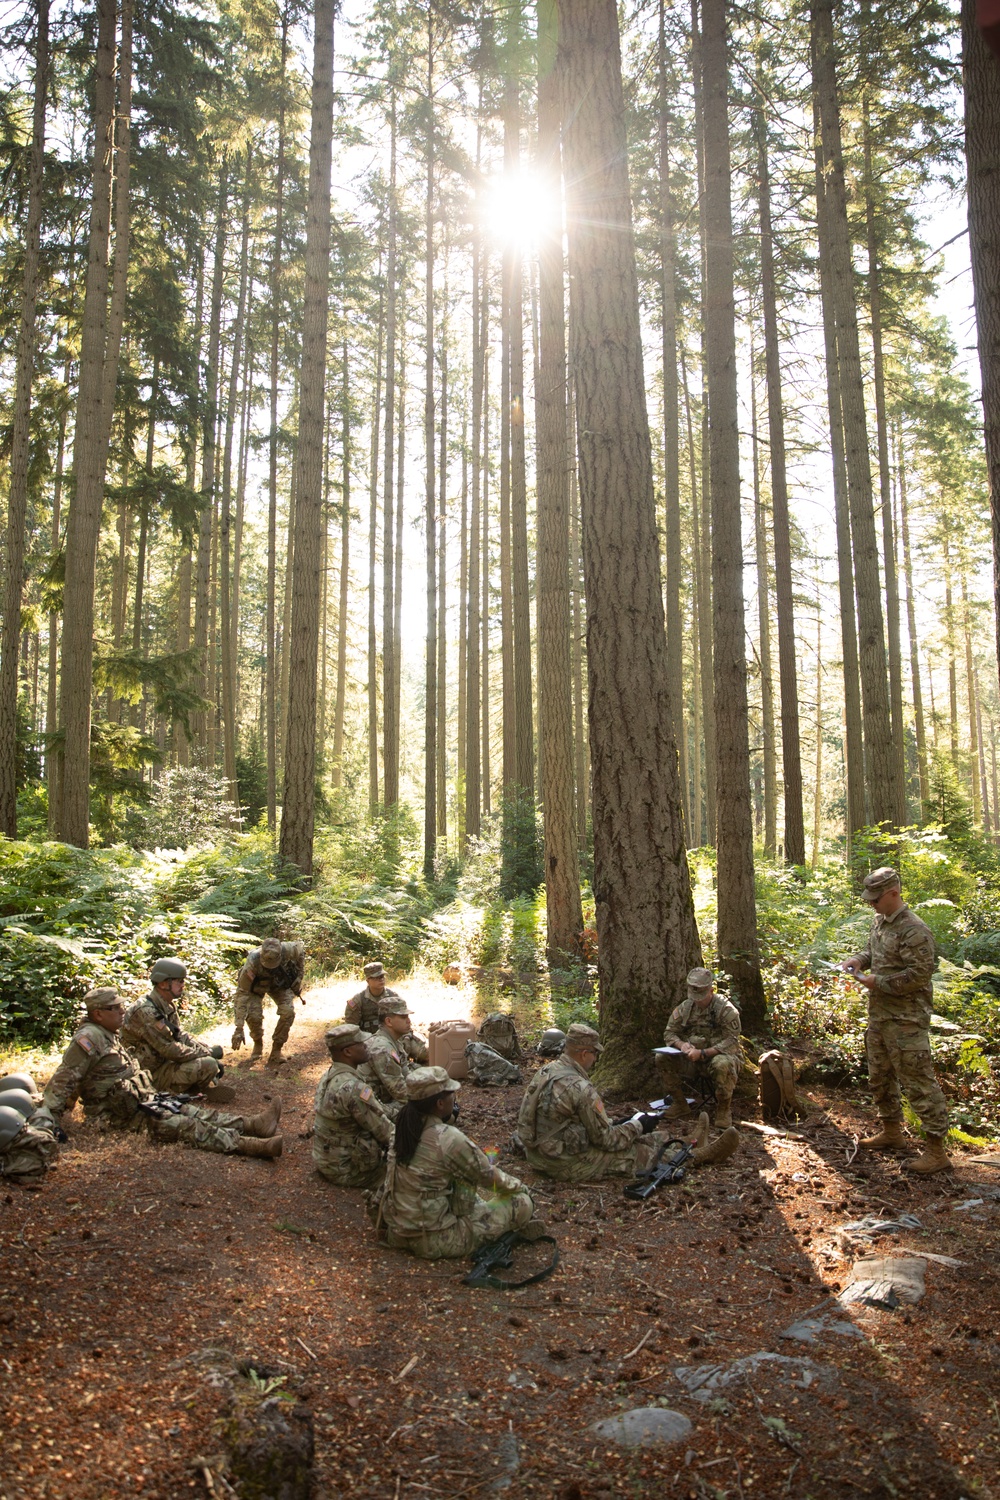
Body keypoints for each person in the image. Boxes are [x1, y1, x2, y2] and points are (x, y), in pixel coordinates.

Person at [35, 988, 284, 1159]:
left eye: (122, 1007)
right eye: (115, 1008)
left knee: (189, 1110)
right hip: (114, 1115)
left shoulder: (106, 1033)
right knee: (184, 1125)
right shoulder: (88, 1038)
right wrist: (50, 1121)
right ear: (98, 1013)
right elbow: (64, 1079)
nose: (122, 1012)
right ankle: (251, 1145)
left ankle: (253, 1125)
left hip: (140, 1101)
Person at [843, 866, 950, 1175]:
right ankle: (892, 1132)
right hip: (879, 1016)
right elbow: (872, 952)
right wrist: (859, 961)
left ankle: (936, 1150)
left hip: (906, 1020)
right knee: (880, 1076)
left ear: (893, 894)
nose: (871, 904)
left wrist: (879, 982)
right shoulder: (881, 922)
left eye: (876, 899)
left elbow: (920, 974)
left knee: (918, 1082)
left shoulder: (914, 929)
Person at [378, 1065, 537, 1259]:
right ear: (440, 1104)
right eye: (451, 1094)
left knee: (464, 1187)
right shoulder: (448, 1138)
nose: (454, 1098)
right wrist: (520, 1188)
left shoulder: (402, 1130)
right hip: (435, 1238)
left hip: (397, 1230)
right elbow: (488, 1176)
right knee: (522, 1203)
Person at [517, 1022, 661, 1182]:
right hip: (563, 1163)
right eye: (595, 1054)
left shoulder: (546, 1071)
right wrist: (638, 1125)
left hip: (537, 1155)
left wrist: (619, 1123)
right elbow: (606, 1141)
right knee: (647, 1153)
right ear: (584, 1054)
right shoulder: (581, 1088)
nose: (596, 1060)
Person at [121, 958, 229, 1097]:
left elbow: (179, 1035)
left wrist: (204, 1049)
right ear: (163, 983)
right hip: (145, 1075)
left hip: (161, 1064)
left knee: (208, 1062)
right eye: (179, 981)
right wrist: (205, 1054)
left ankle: (190, 1089)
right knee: (208, 1064)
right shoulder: (147, 1011)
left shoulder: (166, 1005)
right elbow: (170, 1049)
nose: (183, 985)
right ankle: (175, 1091)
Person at [656, 968, 742, 1129]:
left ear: (711, 990)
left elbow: (732, 1040)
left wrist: (703, 1053)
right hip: (691, 1059)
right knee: (662, 1058)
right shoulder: (686, 1007)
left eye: (701, 996)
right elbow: (669, 1032)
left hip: (717, 1057)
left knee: (722, 1064)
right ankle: (680, 1103)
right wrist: (682, 1045)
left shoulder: (725, 1010)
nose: (698, 1001)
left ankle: (723, 1110)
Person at [312, 1023, 392, 1188]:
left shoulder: (329, 1075)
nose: (366, 1046)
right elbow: (385, 1132)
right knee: (414, 1177)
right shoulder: (354, 1088)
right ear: (347, 1052)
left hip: (326, 1160)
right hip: (346, 1169)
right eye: (361, 1045)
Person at [231, 936, 306, 1067]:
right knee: (253, 1015)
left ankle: (276, 1050)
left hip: (279, 984)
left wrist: (299, 977)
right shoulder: (252, 962)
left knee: (288, 1012)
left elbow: (301, 954)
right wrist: (239, 1027)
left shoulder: (290, 949)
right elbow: (242, 995)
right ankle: (257, 1042)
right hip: (257, 986)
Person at [344, 962, 428, 1063]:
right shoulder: (358, 1001)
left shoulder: (393, 996)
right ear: (368, 980)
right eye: (377, 977)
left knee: (427, 1052)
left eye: (382, 976)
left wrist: (406, 1038)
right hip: (369, 1041)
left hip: (395, 1038)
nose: (381, 979)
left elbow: (403, 1020)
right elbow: (351, 1031)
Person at [360, 997, 419, 1119]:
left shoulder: (393, 1042)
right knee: (416, 1111)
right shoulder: (382, 1048)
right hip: (366, 1107)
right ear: (389, 1021)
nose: (408, 1021)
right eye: (403, 1017)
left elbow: (406, 1074)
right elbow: (400, 1092)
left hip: (378, 1099)